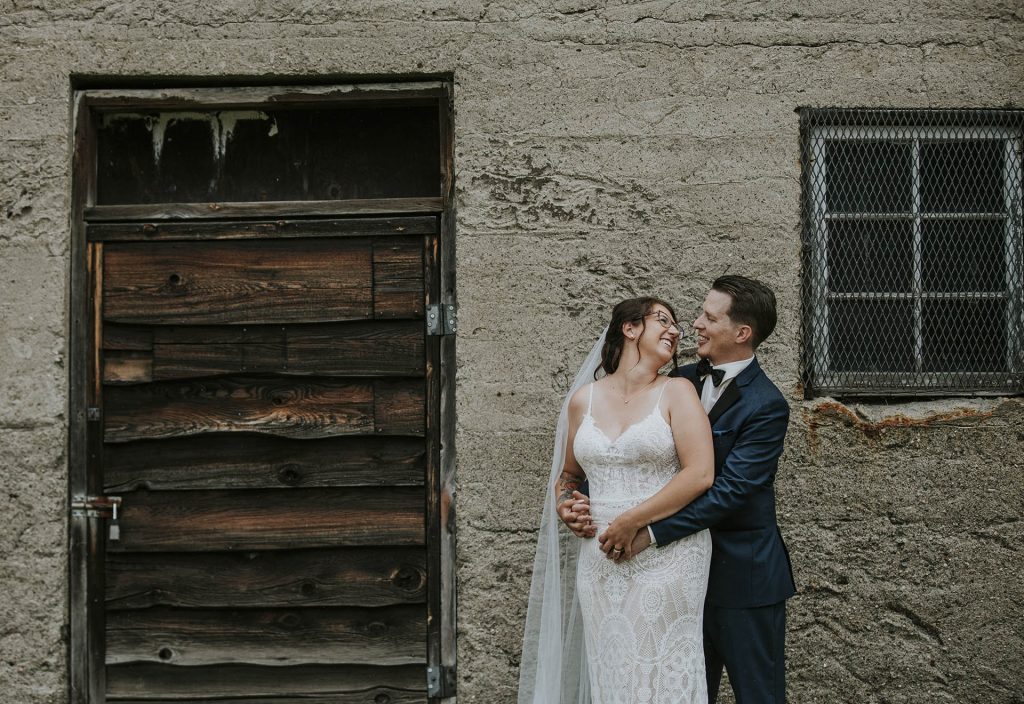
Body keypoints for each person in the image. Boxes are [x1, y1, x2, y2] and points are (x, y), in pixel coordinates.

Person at [518, 297, 716, 704]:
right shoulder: (582, 401)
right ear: (629, 329)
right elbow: (570, 477)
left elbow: (699, 474)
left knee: (662, 674)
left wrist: (633, 521)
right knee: (613, 671)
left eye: (676, 326)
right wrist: (566, 505)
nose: (676, 331)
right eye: (663, 320)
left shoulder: (678, 392)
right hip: (601, 559)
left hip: (668, 555)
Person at [614, 275, 797, 703]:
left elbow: (729, 493)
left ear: (741, 333)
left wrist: (651, 532)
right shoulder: (678, 381)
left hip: (743, 579)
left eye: (708, 317)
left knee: (759, 695)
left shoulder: (767, 405)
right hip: (676, 576)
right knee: (687, 693)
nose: (694, 323)